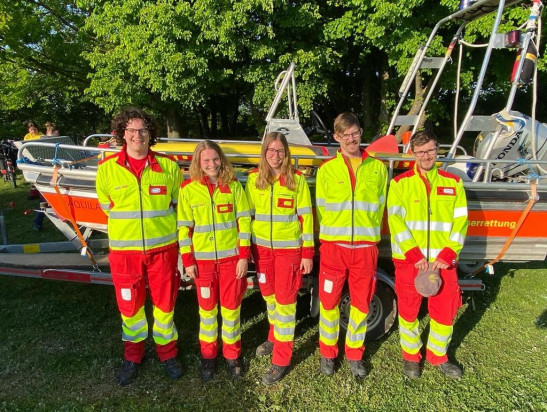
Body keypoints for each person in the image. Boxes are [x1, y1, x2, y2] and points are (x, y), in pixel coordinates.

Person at [96, 108, 183, 386]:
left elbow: (176, 206)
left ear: (150, 134)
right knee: (130, 309)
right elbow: (107, 207)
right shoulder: (107, 169)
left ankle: (168, 354)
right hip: (125, 255)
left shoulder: (168, 167)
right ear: (123, 133)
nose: (137, 135)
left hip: (163, 251)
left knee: (165, 306)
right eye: (131, 130)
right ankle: (132, 357)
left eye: (143, 129)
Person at [387, 130, 468, 379]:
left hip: (443, 263)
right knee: (408, 311)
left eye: (430, 150)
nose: (426, 156)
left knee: (444, 311)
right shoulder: (400, 184)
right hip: (410, 262)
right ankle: (411, 357)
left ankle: (438, 356)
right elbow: (396, 222)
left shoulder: (453, 183)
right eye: (420, 151)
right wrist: (414, 255)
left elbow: (461, 221)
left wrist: (448, 253)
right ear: (412, 153)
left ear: (437, 150)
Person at [315, 112, 387, 379]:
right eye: (345, 135)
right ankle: (328, 354)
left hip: (365, 249)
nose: (351, 139)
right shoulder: (326, 170)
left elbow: (380, 207)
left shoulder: (378, 168)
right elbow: (321, 209)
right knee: (328, 303)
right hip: (334, 248)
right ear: (336, 137)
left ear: (361, 132)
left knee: (361, 304)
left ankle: (355, 354)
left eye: (355, 133)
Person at [177, 140, 251, 382]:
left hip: (231, 262)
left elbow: (244, 223)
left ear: (222, 159)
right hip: (203, 264)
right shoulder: (188, 189)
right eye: (206, 160)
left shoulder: (233, 185)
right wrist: (188, 260)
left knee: (231, 311)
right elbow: (184, 229)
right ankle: (209, 357)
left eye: (215, 158)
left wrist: (243, 256)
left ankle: (232, 356)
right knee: (207, 314)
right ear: (198, 162)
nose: (212, 164)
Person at [245, 132, 314, 385]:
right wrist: (247, 249)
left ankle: (281, 359)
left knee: (285, 305)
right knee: (269, 297)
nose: (275, 156)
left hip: (289, 253)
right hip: (262, 251)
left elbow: (306, 218)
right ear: (264, 152)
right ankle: (274, 336)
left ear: (286, 154)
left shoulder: (297, 180)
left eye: (280, 151)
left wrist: (307, 252)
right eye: (271, 150)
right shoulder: (253, 179)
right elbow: (247, 217)